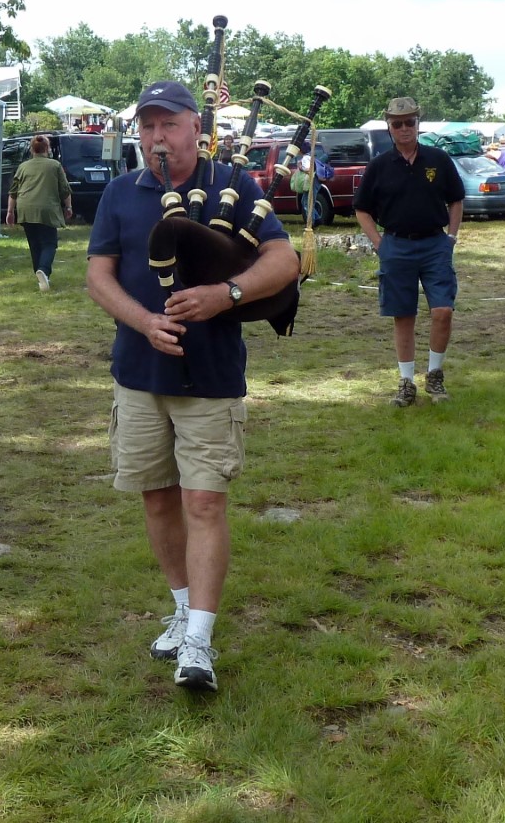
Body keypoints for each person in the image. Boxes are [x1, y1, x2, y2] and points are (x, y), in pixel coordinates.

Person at [86, 81, 299, 693]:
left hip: (210, 375)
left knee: (203, 501)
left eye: (169, 124)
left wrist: (223, 294)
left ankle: (199, 643)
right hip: (139, 373)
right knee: (156, 496)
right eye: (147, 125)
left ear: (194, 126)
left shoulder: (235, 186)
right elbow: (98, 276)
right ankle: (181, 611)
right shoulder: (123, 195)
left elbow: (283, 262)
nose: (157, 136)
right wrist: (144, 321)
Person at [352, 96, 465, 407]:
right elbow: (361, 209)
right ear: (389, 127)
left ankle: (435, 376)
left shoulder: (438, 159)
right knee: (404, 316)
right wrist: (380, 244)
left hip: (435, 245)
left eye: (409, 122)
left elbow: (456, 199)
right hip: (397, 246)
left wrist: (451, 238)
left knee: (443, 311)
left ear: (418, 124)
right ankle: (406, 383)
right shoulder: (379, 166)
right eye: (397, 123)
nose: (404, 128)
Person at [5, 134, 72, 291]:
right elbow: (65, 189)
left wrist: (10, 212)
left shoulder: (23, 167)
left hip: (25, 208)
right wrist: (68, 207)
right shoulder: (54, 165)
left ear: (31, 149)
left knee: (34, 244)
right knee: (49, 243)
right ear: (47, 149)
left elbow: (13, 192)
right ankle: (44, 271)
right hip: (46, 208)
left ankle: (40, 277)